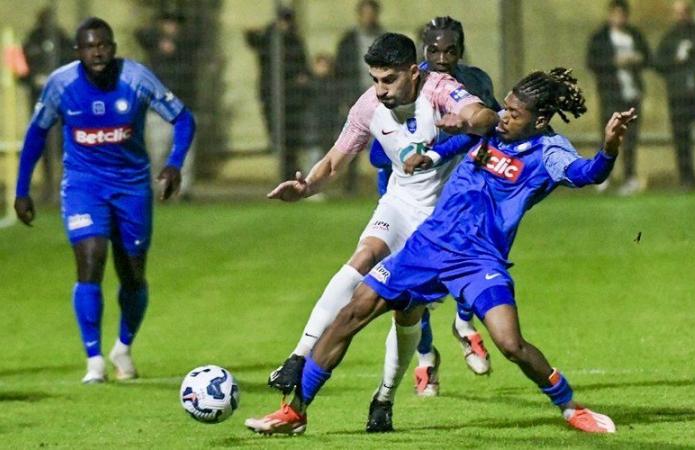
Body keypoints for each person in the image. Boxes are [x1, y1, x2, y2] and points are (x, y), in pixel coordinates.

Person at [246, 67, 633, 435]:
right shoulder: (493, 127)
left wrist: (610, 148)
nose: (504, 117)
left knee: (511, 344)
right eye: (506, 107)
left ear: (541, 119)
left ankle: (570, 407)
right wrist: (437, 145)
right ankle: (295, 411)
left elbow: (587, 174)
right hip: (428, 245)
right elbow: (465, 133)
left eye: (515, 113)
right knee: (352, 313)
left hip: (477, 259)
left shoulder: (547, 152)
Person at [250, 31, 498, 431]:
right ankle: (299, 356)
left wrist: (468, 118)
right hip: (398, 205)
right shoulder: (368, 105)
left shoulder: (440, 89)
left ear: (413, 73)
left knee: (407, 313)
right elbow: (334, 160)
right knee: (362, 257)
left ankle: (383, 398)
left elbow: (485, 117)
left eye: (389, 80)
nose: (380, 90)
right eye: (375, 79)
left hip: (440, 224)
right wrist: (306, 187)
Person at [13, 18, 196, 383]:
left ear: (113, 48)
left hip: (132, 189)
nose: (97, 51)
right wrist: (21, 189)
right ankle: (94, 359)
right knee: (91, 259)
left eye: (104, 45)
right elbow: (36, 135)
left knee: (133, 275)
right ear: (77, 51)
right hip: (84, 186)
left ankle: (123, 348)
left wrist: (174, 165)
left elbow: (184, 119)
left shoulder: (136, 78)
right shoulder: (61, 84)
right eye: (89, 46)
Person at [368, 16, 501, 401]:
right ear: (421, 53)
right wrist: (414, 150)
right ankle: (426, 357)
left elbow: (488, 129)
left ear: (461, 50)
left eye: (450, 50)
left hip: (454, 189)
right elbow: (379, 153)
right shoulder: (406, 86)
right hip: (404, 195)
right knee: (411, 287)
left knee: (473, 261)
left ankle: (463, 324)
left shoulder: (475, 84)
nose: (441, 58)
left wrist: (444, 149)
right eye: (433, 50)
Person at [586, 0, 650, 195]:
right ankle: (603, 177)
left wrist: (637, 59)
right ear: (610, 15)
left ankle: (629, 177)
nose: (619, 18)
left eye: (622, 14)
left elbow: (648, 57)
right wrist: (614, 62)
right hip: (610, 94)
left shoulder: (634, 35)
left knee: (631, 137)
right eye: (615, 14)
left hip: (632, 94)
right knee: (608, 135)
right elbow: (592, 62)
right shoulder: (600, 38)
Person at [136, 12, 199, 199]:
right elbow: (140, 34)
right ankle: (159, 190)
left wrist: (175, 44)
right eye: (167, 23)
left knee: (186, 154)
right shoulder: (153, 45)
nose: (171, 27)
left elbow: (196, 40)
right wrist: (160, 40)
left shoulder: (187, 46)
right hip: (159, 110)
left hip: (184, 108)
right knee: (157, 154)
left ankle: (184, 190)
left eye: (174, 24)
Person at [245, 7, 310, 180]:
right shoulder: (269, 38)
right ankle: (289, 174)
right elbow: (253, 41)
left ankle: (289, 174)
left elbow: (302, 66)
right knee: (277, 137)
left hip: (291, 98)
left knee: (290, 139)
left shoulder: (294, 40)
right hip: (272, 97)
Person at [21, 7, 73, 202]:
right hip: (39, 102)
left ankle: (64, 184)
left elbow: (72, 63)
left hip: (61, 101)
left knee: (62, 142)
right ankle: (48, 185)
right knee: (42, 142)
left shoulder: (62, 40)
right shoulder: (32, 40)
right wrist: (33, 78)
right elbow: (22, 69)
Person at [336, 0, 385, 194]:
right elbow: (340, 71)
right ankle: (349, 185)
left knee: (385, 140)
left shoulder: (385, 38)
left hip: (382, 96)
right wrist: (344, 97)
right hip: (356, 96)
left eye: (371, 13)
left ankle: (386, 182)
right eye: (364, 13)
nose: (368, 17)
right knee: (354, 140)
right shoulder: (348, 41)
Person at [655, 0, 695, 190]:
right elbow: (658, 63)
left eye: (684, 12)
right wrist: (675, 61)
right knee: (681, 140)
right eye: (678, 13)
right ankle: (687, 179)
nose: (681, 16)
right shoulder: (670, 38)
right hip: (679, 97)